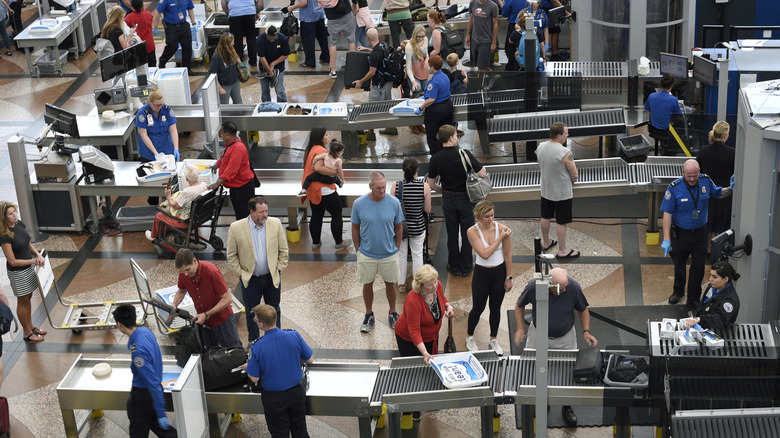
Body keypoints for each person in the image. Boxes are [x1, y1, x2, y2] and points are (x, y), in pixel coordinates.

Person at [514, 267, 597, 427]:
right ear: (551, 286)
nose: (566, 289)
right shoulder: (534, 286)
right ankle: (542, 401)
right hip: (539, 334)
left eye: (566, 285)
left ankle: (567, 406)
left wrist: (586, 331)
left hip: (565, 337)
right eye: (562, 287)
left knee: (567, 372)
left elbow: (583, 309)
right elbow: (519, 304)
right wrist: (520, 328)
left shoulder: (573, 287)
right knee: (534, 368)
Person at [661, 159, 732, 310]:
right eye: (689, 176)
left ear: (699, 172)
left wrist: (731, 188)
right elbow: (667, 214)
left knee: (698, 267)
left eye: (695, 175)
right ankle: (678, 291)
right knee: (679, 264)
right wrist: (666, 238)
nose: (692, 179)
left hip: (700, 233)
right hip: (680, 235)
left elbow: (718, 193)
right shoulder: (674, 188)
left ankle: (693, 299)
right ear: (683, 173)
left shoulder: (706, 181)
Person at [245, 304, 314, 438]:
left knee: (279, 433)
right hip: (297, 392)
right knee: (300, 430)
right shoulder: (294, 335)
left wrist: (250, 366)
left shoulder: (257, 346)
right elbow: (310, 359)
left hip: (274, 398)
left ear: (261, 324)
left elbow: (254, 378)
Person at [227, 196, 289, 343]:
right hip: (251, 279)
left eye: (266, 211)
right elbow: (231, 255)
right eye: (261, 212)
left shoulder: (275, 224)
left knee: (274, 310)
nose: (265, 215)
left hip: (271, 277)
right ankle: (254, 341)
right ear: (252, 212)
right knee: (251, 313)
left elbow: (283, 250)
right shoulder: (236, 228)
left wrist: (279, 269)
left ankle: (276, 340)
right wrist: (242, 274)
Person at [428, 125, 487, 276]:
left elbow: (431, 184)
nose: (457, 137)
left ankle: (454, 266)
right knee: (468, 233)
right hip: (465, 198)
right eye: (455, 135)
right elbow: (482, 174)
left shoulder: (436, 158)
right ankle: (467, 266)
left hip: (448, 199)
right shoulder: (464, 154)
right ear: (450, 138)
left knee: (452, 234)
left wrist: (444, 191)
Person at [113, 304, 177, 438]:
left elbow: (151, 382)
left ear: (119, 325)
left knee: (138, 429)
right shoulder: (145, 332)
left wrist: (161, 412)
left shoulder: (138, 352)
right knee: (158, 426)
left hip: (143, 395)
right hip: (150, 392)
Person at [351, 172, 405, 333]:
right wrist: (358, 247)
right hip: (367, 254)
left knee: (391, 283)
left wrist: (396, 246)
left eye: (384, 187)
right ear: (370, 186)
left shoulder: (394, 202)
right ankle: (368, 313)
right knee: (367, 284)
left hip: (389, 253)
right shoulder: (359, 204)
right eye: (378, 188)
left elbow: (399, 226)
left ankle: (393, 312)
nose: (382, 191)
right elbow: (355, 226)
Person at [465, 200, 513, 355]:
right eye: (487, 216)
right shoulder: (472, 231)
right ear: (479, 216)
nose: (491, 219)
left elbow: (507, 254)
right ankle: (469, 336)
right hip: (482, 274)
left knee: (495, 308)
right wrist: (501, 238)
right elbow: (484, 254)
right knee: (478, 308)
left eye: (492, 215)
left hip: (498, 274)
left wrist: (509, 277)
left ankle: (493, 339)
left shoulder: (501, 229)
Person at [174, 249, 242, 349]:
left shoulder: (212, 271)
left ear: (194, 261)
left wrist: (206, 314)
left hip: (223, 321)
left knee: (234, 351)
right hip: (203, 323)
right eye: (182, 271)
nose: (185, 274)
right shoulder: (184, 274)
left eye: (187, 270)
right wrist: (174, 306)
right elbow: (181, 291)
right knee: (209, 355)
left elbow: (227, 299)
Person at [0, 201, 46, 343]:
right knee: (22, 301)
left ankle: (31, 327)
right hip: (19, 272)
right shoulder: (4, 236)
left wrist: (37, 255)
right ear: (3, 217)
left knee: (28, 298)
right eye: (10, 214)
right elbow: (13, 261)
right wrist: (33, 261)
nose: (15, 215)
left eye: (15, 212)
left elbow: (27, 242)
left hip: (28, 268)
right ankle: (26, 333)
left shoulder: (18, 224)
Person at [301, 127, 351, 250]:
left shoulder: (311, 149)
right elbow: (318, 168)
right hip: (324, 190)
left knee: (317, 216)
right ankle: (339, 243)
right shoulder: (320, 150)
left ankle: (316, 242)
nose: (328, 136)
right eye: (326, 135)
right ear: (321, 137)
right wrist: (335, 172)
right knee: (336, 214)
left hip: (313, 189)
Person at [395, 264, 454, 363]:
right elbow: (414, 332)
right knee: (414, 368)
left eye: (435, 281)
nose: (434, 285)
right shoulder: (412, 301)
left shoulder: (437, 286)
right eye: (430, 284)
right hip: (409, 340)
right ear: (420, 285)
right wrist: (425, 352)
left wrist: (448, 306)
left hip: (431, 337)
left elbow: (442, 298)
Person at [537, 122, 579, 259]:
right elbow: (574, 174)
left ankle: (546, 242)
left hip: (546, 190)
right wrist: (571, 183)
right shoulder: (565, 152)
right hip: (562, 194)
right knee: (561, 221)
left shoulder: (541, 147)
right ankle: (562, 250)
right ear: (559, 136)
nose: (568, 135)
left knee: (546, 216)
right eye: (566, 133)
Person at [389, 158, 432, 291]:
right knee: (417, 254)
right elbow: (428, 209)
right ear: (417, 170)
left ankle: (401, 283)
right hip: (418, 227)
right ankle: (417, 284)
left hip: (400, 227)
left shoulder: (396, 186)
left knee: (401, 254)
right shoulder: (424, 186)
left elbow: (391, 209)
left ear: (402, 170)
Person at [696, 121, 735, 250]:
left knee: (708, 221)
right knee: (724, 223)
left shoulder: (704, 151)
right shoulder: (732, 153)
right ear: (725, 135)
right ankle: (719, 249)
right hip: (726, 194)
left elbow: (698, 171)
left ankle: (706, 248)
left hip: (707, 193)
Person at [144, 164, 208, 242]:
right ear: (198, 175)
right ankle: (168, 230)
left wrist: (169, 196)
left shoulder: (187, 191)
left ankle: (153, 236)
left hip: (186, 221)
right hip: (200, 216)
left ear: (187, 179)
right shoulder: (205, 185)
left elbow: (175, 206)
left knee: (160, 215)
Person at [352, 28, 396, 138]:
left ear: (367, 38)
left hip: (379, 85)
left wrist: (361, 81)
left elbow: (372, 72)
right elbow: (378, 54)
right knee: (387, 104)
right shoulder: (383, 45)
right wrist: (366, 49)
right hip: (388, 81)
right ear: (378, 36)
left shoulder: (375, 54)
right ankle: (392, 128)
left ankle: (371, 133)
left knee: (370, 108)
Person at [209, 121, 256, 220]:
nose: (221, 136)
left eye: (221, 134)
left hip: (243, 190)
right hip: (237, 188)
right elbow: (225, 158)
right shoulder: (232, 144)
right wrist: (216, 166)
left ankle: (246, 235)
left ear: (227, 134)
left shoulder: (238, 148)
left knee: (244, 217)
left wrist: (217, 183)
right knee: (240, 214)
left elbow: (231, 170)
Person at [684, 261, 740, 332]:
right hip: (702, 326)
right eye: (710, 275)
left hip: (718, 332)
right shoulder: (712, 287)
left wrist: (700, 320)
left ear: (725, 279)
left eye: (714, 277)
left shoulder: (729, 301)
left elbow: (719, 319)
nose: (710, 279)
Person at [416, 55, 453, 155]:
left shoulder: (434, 81)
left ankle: (436, 154)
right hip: (448, 107)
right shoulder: (445, 76)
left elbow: (432, 99)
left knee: (432, 135)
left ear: (432, 67)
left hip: (436, 111)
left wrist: (421, 107)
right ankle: (448, 151)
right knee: (446, 132)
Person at [136, 87, 180, 166]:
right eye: (156, 105)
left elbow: (173, 130)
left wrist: (176, 148)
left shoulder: (166, 110)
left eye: (160, 104)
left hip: (167, 151)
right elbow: (144, 136)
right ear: (150, 102)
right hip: (149, 153)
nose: (159, 107)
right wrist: (156, 154)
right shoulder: (142, 113)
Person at [644, 73, 682, 156]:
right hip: (666, 132)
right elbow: (678, 117)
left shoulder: (651, 96)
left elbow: (650, 113)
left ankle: (663, 146)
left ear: (660, 84)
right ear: (671, 86)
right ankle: (671, 152)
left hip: (654, 129)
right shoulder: (673, 100)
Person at [284, 0, 329, 68]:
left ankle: (310, 62)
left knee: (308, 42)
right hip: (320, 14)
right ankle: (325, 58)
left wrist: (291, 8)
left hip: (308, 17)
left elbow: (304, 3)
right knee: (322, 39)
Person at [152, 0, 196, 70]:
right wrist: (155, 27)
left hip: (183, 24)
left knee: (187, 46)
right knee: (172, 46)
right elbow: (157, 12)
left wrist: (194, 22)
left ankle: (187, 68)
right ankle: (162, 61)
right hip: (171, 26)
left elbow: (190, 9)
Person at [222, 0, 261, 71]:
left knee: (236, 40)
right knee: (251, 38)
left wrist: (229, 13)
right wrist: (257, 12)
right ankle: (253, 61)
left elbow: (224, 5)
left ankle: (238, 61)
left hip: (235, 13)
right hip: (250, 12)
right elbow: (259, 2)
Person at [322, 0, 356, 79]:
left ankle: (333, 70)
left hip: (331, 16)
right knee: (351, 40)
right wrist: (355, 3)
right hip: (346, 13)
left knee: (333, 43)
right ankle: (352, 69)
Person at [256, 25, 290, 103]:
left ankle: (282, 107)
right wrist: (270, 72)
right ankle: (267, 107)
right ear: (266, 33)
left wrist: (273, 64)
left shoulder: (282, 38)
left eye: (274, 37)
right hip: (264, 68)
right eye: (270, 37)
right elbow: (262, 57)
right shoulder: (260, 40)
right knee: (265, 92)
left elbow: (285, 54)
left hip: (279, 68)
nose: (272, 40)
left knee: (280, 91)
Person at [209, 33, 243, 104]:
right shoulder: (216, 57)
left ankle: (239, 114)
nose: (233, 43)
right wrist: (220, 89)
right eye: (232, 42)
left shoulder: (232, 50)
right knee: (224, 105)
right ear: (227, 44)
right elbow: (212, 74)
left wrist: (239, 61)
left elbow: (238, 63)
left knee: (239, 102)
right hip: (224, 85)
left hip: (235, 82)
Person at [466, 0, 499, 72]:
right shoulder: (473, 3)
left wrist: (494, 42)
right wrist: (468, 34)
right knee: (479, 65)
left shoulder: (493, 6)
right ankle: (490, 74)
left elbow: (495, 24)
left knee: (481, 68)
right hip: (474, 39)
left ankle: (481, 83)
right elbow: (471, 18)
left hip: (486, 41)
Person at [125, 0, 156, 66]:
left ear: (132, 6)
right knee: (152, 66)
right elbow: (151, 20)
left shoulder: (129, 18)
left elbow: (126, 29)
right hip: (149, 46)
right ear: (142, 5)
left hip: (137, 47)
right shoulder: (148, 14)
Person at [500, 0, 526, 71]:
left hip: (513, 26)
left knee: (510, 49)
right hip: (527, 25)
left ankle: (512, 67)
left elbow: (505, 13)